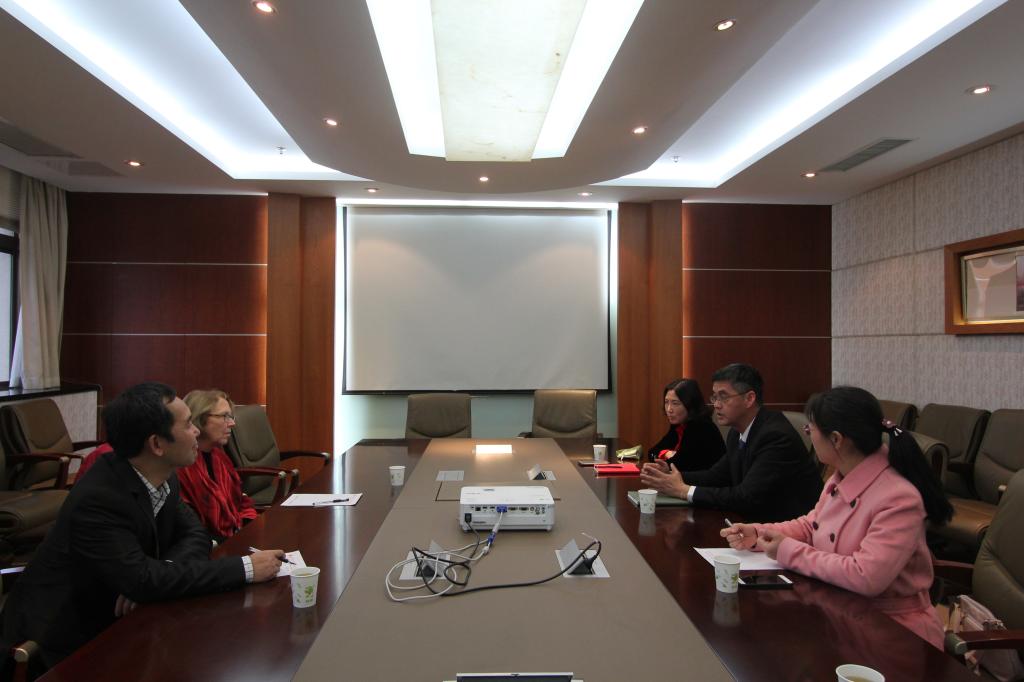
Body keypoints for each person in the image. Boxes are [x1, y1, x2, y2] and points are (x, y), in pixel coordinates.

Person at [0, 382, 284, 671]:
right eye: (188, 425)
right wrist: (246, 568)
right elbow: (143, 580)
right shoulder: (100, 498)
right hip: (61, 644)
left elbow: (195, 534)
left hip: (119, 620)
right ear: (157, 445)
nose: (197, 431)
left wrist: (156, 576)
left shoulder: (163, 476)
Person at [720, 386, 953, 649]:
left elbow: (865, 575)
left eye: (810, 430)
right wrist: (758, 533)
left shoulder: (898, 499)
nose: (808, 435)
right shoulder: (841, 475)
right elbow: (812, 525)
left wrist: (787, 550)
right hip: (841, 611)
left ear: (836, 439)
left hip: (891, 631)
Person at [640, 363, 821, 521]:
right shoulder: (737, 432)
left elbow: (746, 497)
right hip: (751, 524)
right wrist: (672, 475)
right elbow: (716, 476)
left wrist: (683, 490)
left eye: (723, 397)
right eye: (714, 397)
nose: (716, 404)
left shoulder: (775, 436)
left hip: (786, 530)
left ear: (749, 398)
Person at [179, 389, 257, 543]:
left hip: (236, 535)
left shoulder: (219, 457)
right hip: (209, 546)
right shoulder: (182, 467)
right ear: (199, 418)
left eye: (231, 417)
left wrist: (251, 527)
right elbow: (191, 527)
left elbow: (240, 501)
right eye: (224, 416)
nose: (232, 423)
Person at [644, 378, 724, 471]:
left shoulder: (701, 427)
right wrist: (667, 453)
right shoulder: (679, 424)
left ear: (690, 404)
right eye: (666, 402)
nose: (669, 409)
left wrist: (665, 456)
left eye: (675, 403)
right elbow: (652, 452)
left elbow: (676, 465)